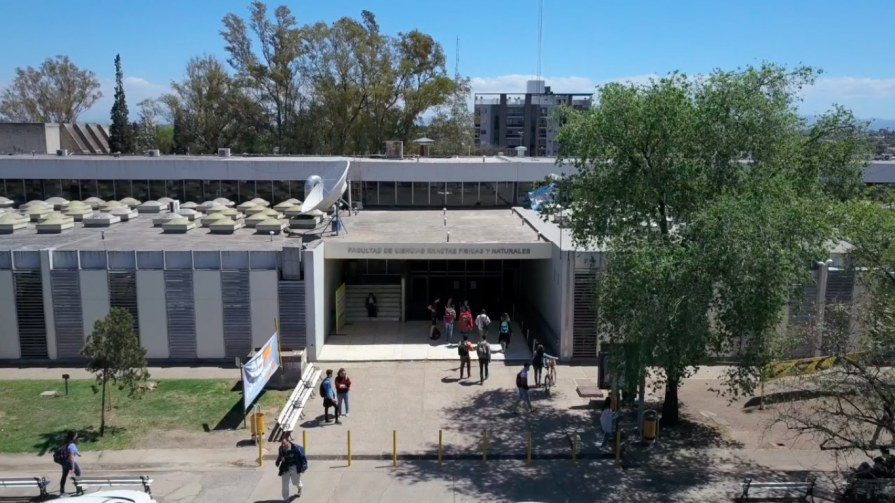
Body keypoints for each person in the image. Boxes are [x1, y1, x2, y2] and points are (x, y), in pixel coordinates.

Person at [275, 433, 307, 501]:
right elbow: (280, 456)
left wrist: (303, 467)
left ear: (288, 441)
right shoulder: (281, 448)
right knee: (285, 485)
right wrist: (278, 461)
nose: (283, 445)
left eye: (284, 443)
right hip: (285, 467)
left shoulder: (297, 448)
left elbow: (303, 458)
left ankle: (300, 488)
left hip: (294, 467)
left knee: (295, 482)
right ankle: (286, 499)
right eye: (282, 444)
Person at [59, 430, 81, 495]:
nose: (76, 436)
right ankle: (79, 489)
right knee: (78, 474)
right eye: (76, 435)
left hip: (64, 462)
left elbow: (70, 451)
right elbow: (71, 456)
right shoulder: (71, 445)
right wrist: (73, 467)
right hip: (71, 462)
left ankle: (62, 490)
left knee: (64, 476)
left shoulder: (65, 443)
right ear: (73, 437)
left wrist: (77, 453)